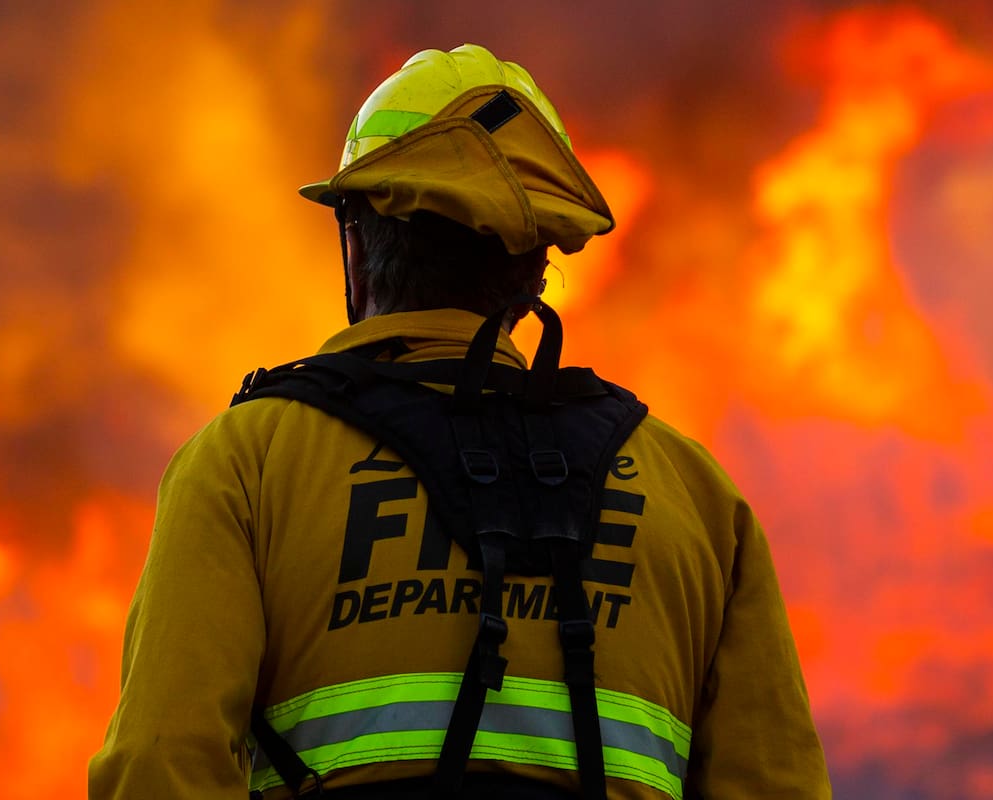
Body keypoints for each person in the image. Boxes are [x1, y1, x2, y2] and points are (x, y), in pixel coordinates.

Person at [88, 44, 831, 800]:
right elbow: (774, 783)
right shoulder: (696, 499)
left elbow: (158, 763)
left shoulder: (246, 464)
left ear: (358, 244)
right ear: (536, 266)